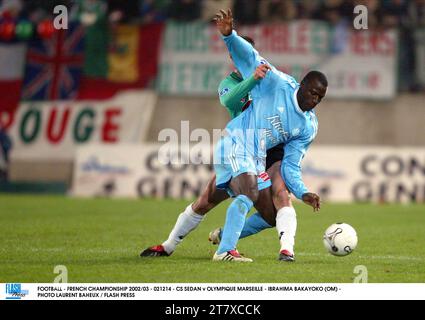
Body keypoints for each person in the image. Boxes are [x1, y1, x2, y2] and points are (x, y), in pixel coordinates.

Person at [141, 36, 295, 262]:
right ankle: (217, 249)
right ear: (233, 57)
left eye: (249, 52)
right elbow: (230, 102)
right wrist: (252, 80)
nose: (245, 57)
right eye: (240, 54)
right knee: (235, 195)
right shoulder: (230, 83)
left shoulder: (268, 78)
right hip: (239, 145)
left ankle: (184, 244)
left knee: (267, 214)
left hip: (260, 151)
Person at [211, 9, 325, 262]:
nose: (315, 100)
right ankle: (195, 244)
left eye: (320, 97)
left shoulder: (308, 125)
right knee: (216, 200)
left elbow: (292, 164)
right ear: (301, 85)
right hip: (242, 142)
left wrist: (303, 191)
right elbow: (251, 57)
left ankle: (278, 249)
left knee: (276, 203)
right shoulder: (276, 82)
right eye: (313, 93)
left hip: (268, 152)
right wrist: (229, 36)